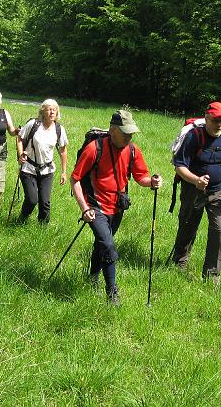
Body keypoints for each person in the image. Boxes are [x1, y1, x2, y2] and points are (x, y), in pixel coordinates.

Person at [71, 110, 162, 305]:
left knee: (101, 244)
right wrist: (84, 208)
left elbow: (141, 177)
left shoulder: (132, 150)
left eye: (131, 133)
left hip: (118, 208)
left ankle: (93, 277)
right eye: (125, 133)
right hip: (95, 206)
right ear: (112, 131)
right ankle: (112, 292)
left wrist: (152, 183)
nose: (129, 137)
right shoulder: (94, 149)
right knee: (108, 245)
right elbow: (75, 179)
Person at [170, 101, 221, 283]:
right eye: (215, 120)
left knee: (219, 231)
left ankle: (212, 276)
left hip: (218, 193)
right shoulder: (193, 137)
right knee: (188, 227)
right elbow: (179, 166)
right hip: (193, 191)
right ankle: (179, 262)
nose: (219, 124)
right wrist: (195, 180)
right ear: (207, 118)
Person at [16, 99, 68, 223]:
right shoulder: (33, 124)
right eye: (49, 109)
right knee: (32, 199)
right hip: (28, 168)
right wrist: (20, 154)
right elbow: (19, 138)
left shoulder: (59, 129)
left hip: (47, 170)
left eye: (54, 109)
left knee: (45, 202)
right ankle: (22, 218)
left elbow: (63, 151)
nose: (52, 112)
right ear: (43, 111)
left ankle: (42, 229)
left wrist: (63, 172)